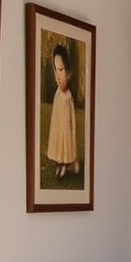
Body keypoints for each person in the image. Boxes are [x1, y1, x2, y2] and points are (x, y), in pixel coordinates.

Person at [46, 43, 80, 180]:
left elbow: (70, 118)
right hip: (59, 126)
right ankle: (59, 162)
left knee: (66, 141)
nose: (57, 75)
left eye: (61, 70)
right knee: (58, 140)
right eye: (55, 69)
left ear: (68, 73)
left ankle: (66, 163)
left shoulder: (68, 97)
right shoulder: (57, 94)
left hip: (66, 126)